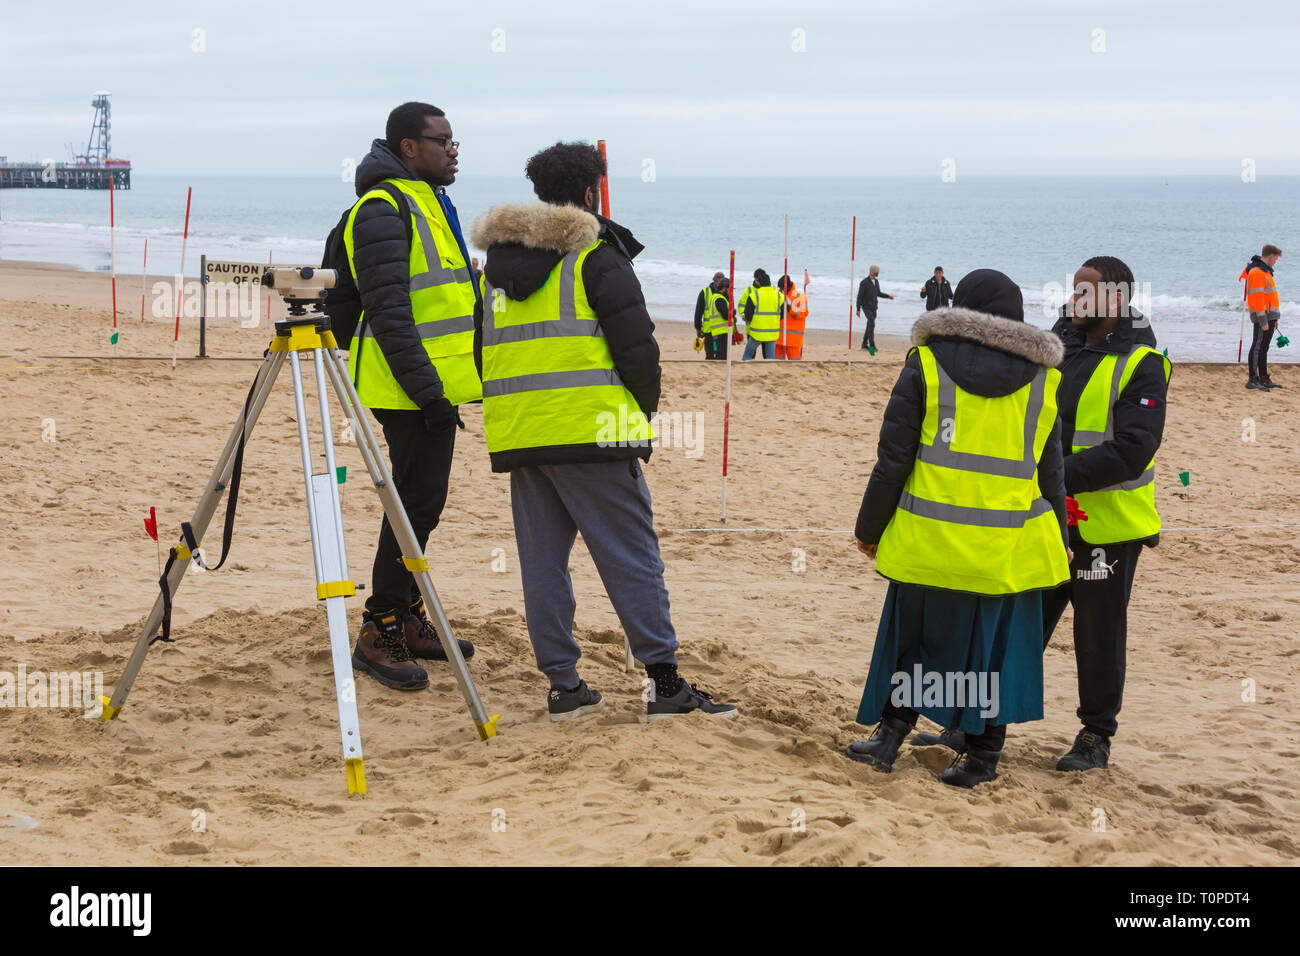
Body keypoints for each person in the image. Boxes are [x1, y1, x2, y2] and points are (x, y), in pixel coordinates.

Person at [470, 141, 737, 723]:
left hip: (522, 433)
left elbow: (480, 354)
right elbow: (638, 350)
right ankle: (665, 684)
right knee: (630, 556)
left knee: (542, 560)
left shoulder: (494, 270)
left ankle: (564, 688)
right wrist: (640, 416)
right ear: (591, 193)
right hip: (594, 432)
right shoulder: (597, 257)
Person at [846, 269, 1070, 788]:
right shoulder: (1045, 380)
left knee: (913, 640)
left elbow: (894, 458)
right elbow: (1050, 472)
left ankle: (889, 737)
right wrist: (1058, 540)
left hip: (929, 537)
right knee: (988, 651)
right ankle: (981, 759)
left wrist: (870, 527)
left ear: (959, 308)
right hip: (1001, 546)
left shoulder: (924, 364)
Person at [343, 101, 478, 691]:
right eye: (441, 140)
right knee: (412, 504)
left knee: (423, 503)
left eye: (454, 141)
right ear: (408, 148)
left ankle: (403, 612)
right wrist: (428, 394)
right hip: (405, 387)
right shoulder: (382, 208)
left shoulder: (428, 201)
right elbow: (392, 313)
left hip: (431, 384)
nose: (452, 150)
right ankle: (379, 629)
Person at [1038, 256, 1171, 771]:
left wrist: (1057, 475)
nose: (1074, 299)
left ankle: (1095, 737)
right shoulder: (1056, 347)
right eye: (1073, 289)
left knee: (1096, 636)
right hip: (1049, 518)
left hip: (1108, 528)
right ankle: (978, 720)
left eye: (1085, 292)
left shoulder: (1144, 363)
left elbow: (1133, 450)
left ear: (1116, 299)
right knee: (1023, 623)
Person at [1242, 244, 1283, 390]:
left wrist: (1274, 318)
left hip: (1269, 316)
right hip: (1262, 316)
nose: (1275, 262)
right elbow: (1258, 299)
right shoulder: (1257, 273)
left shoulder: (1266, 272)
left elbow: (1270, 296)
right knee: (1257, 346)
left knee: (1264, 347)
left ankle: (1263, 377)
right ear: (1270, 256)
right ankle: (1253, 379)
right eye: (1276, 259)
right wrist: (1263, 320)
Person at [738, 269, 782, 360]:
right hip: (771, 332)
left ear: (759, 282)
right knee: (770, 358)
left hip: (756, 332)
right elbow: (785, 310)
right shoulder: (778, 295)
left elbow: (748, 314)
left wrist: (746, 318)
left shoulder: (754, 295)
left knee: (747, 356)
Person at [693, 272, 732, 361]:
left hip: (721, 330)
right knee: (710, 354)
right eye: (718, 278)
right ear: (713, 279)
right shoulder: (705, 292)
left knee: (720, 353)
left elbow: (729, 309)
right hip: (708, 329)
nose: (719, 280)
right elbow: (698, 311)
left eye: (721, 278)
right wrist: (698, 328)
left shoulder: (726, 293)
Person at [856, 264, 894, 351]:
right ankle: (872, 347)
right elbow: (859, 296)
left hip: (874, 307)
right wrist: (858, 309)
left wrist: (888, 296)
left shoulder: (876, 282)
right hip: (866, 307)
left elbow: (878, 293)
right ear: (873, 271)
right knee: (872, 324)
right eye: (877, 271)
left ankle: (864, 344)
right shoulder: (864, 282)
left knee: (870, 325)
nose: (878, 273)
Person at [776, 274, 808, 360]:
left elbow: (803, 314)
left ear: (787, 286)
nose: (781, 290)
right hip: (778, 338)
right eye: (780, 288)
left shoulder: (800, 296)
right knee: (776, 364)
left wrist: (790, 309)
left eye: (782, 288)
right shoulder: (778, 295)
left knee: (795, 364)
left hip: (792, 339)